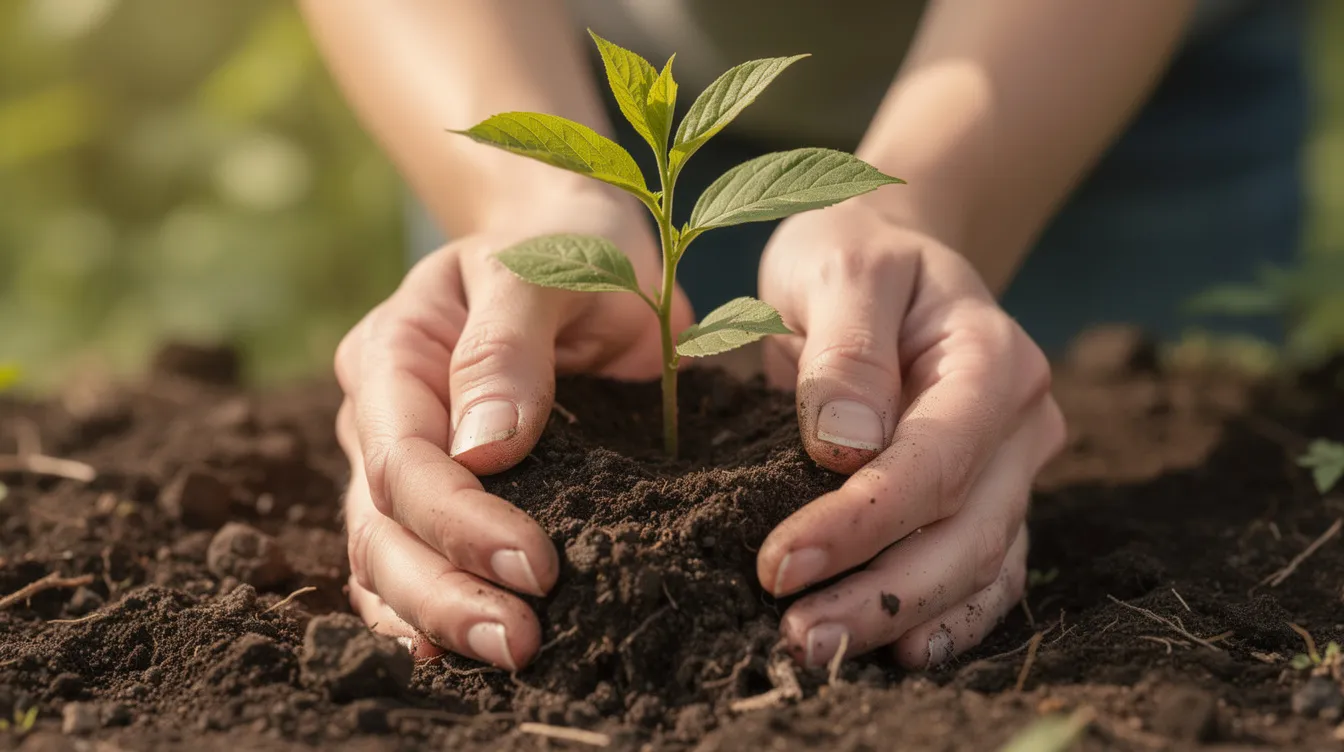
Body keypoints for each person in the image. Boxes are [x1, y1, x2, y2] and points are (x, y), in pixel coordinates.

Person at [298, 0, 1307, 672]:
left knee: (1134, 425)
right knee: (542, 360)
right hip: (527, 51)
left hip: (1092, 51)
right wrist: (524, 193)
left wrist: (927, 206)